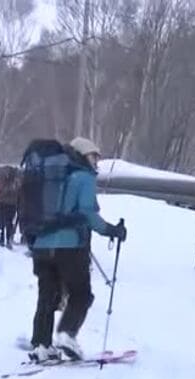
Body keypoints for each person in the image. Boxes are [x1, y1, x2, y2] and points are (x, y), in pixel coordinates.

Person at [28, 137, 127, 362]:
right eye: (94, 156)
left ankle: (41, 346)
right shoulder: (83, 177)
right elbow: (88, 214)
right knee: (81, 294)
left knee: (47, 296)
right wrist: (112, 230)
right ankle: (66, 334)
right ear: (83, 155)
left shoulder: (50, 177)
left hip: (42, 246)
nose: (96, 163)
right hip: (70, 247)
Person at [0, 166, 20, 249]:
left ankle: (2, 238)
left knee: (1, 221)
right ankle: (8, 239)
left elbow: (0, 190)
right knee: (8, 222)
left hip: (3, 203)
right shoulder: (16, 181)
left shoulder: (4, 180)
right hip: (12, 205)